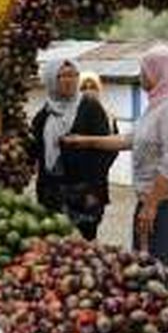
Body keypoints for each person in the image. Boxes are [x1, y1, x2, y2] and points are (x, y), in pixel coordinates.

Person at [63, 45, 168, 283]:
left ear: (159, 72)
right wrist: (86, 141)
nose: (140, 75)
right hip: (157, 198)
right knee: (152, 267)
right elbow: (130, 139)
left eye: (144, 70)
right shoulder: (158, 103)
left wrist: (151, 205)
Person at [29, 59, 115, 241]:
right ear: (51, 80)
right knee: (54, 248)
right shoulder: (43, 115)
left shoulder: (90, 107)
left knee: (83, 249)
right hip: (51, 195)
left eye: (74, 75)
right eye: (63, 76)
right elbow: (34, 152)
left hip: (84, 193)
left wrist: (94, 190)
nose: (70, 81)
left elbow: (107, 151)